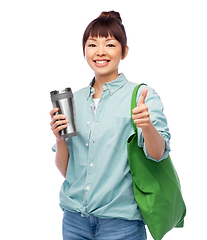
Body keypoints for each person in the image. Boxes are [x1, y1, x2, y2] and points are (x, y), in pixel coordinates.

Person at [50, 11, 171, 240]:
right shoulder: (73, 101)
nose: (100, 52)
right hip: (74, 221)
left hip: (121, 225)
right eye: (92, 44)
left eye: (110, 44)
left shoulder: (141, 96)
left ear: (124, 51)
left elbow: (158, 154)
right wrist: (59, 139)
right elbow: (68, 171)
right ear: (84, 50)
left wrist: (147, 126)